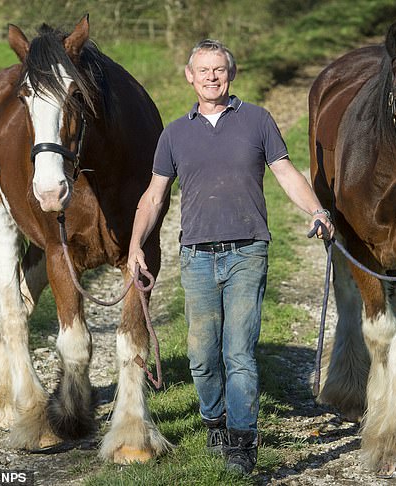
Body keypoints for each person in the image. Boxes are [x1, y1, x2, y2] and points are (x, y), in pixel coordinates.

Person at [127, 39, 334, 475]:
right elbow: (153, 196)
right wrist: (134, 246)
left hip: (247, 251)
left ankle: (242, 442)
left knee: (239, 352)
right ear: (190, 76)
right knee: (202, 356)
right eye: (202, 70)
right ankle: (214, 420)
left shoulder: (257, 120)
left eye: (218, 69)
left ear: (231, 73)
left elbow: (285, 172)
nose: (211, 76)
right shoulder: (174, 134)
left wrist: (317, 210)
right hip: (197, 256)